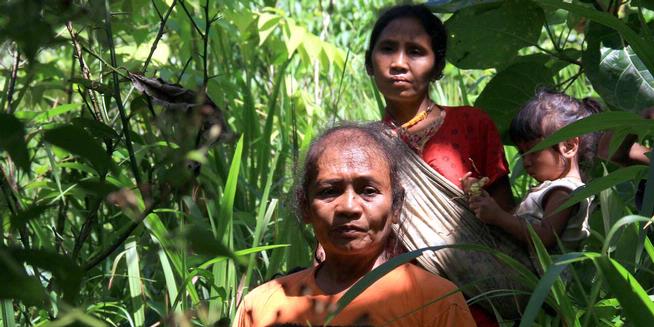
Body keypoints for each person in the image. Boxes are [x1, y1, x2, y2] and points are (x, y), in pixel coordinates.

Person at [365, 4, 532, 321]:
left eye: (415, 51)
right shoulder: (363, 147)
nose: (399, 63)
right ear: (369, 63)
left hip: (473, 307)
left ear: (437, 65)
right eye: (387, 49)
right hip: (394, 307)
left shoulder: (472, 125)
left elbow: (504, 222)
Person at [232, 124, 476, 327]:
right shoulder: (262, 305)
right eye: (329, 191)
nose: (349, 207)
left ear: (396, 207)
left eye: (368, 191)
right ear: (305, 206)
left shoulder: (437, 301)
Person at [464, 89, 597, 254]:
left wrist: (498, 216)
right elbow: (518, 223)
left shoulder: (563, 192)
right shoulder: (555, 189)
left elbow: (546, 237)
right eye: (522, 154)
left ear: (568, 146)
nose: (526, 162)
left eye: (534, 152)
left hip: (543, 277)